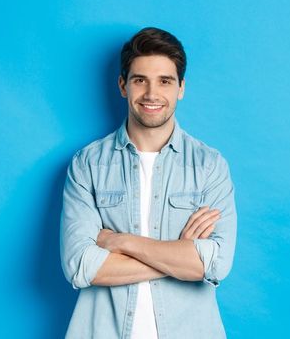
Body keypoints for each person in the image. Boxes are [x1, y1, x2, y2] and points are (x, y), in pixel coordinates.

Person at [59, 27, 237, 338]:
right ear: (123, 86)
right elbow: (80, 265)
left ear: (181, 87)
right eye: (140, 80)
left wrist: (121, 242)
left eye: (165, 81)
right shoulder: (87, 164)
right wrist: (181, 256)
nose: (152, 94)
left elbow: (216, 264)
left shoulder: (209, 165)